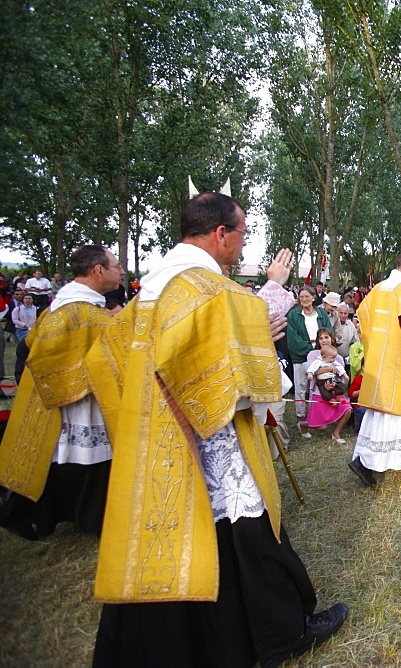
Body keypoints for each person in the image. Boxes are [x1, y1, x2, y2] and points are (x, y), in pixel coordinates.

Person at [84, 192, 348, 667]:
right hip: (214, 436)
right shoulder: (206, 288)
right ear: (220, 233)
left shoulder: (153, 289)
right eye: (242, 233)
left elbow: (104, 356)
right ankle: (284, 631)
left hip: (160, 442)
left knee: (187, 536)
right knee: (249, 524)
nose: (244, 245)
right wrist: (271, 290)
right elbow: (254, 376)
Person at [0, 245, 123, 540]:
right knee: (78, 457)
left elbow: (29, 343)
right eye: (116, 266)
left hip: (61, 397)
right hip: (75, 400)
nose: (120, 271)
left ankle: (33, 515)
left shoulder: (65, 303)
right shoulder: (81, 311)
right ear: (98, 270)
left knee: (58, 456)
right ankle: (86, 520)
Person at [350, 250, 401, 486]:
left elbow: (362, 316)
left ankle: (365, 458)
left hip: (378, 357)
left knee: (378, 409)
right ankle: (372, 462)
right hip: (399, 360)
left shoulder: (378, 289)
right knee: (399, 408)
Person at [286, 285, 334, 423]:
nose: (304, 299)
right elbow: (293, 338)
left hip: (321, 355)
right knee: (301, 387)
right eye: (301, 297)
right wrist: (311, 351)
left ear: (313, 297)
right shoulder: (293, 315)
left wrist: (322, 350)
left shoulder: (321, 313)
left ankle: (316, 415)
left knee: (317, 387)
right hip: (300, 356)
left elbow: (328, 331)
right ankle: (300, 416)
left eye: (307, 296)